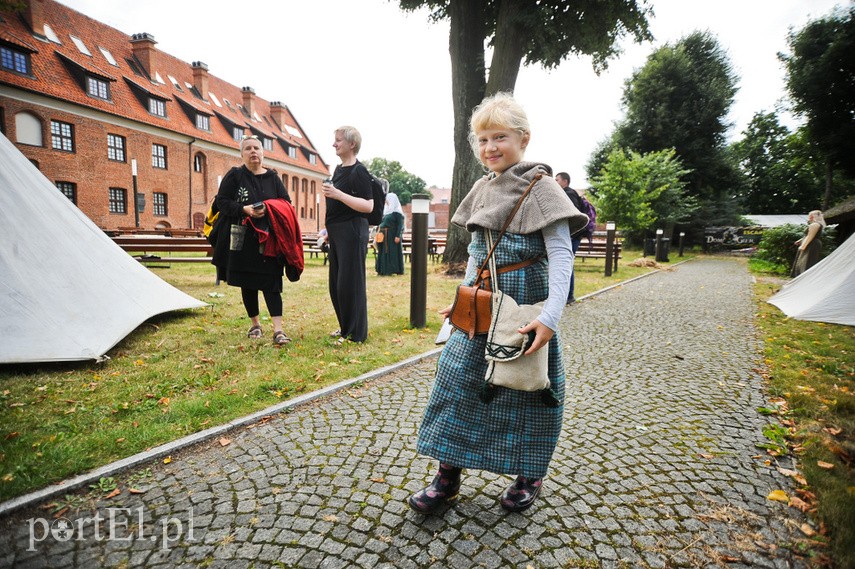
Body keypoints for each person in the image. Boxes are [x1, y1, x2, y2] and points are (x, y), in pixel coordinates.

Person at [410, 93, 588, 514]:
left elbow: (562, 256)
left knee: (526, 389)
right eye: (483, 139)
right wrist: (462, 302)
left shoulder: (542, 188)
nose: (490, 147)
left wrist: (550, 318)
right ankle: (447, 476)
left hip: (526, 307)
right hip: (481, 307)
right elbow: (476, 251)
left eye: (500, 137)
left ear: (524, 138)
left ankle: (529, 473)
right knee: (456, 385)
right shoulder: (481, 188)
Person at [211, 135, 300, 345]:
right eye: (248, 149)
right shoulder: (235, 176)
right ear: (242, 154)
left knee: (272, 282)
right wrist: (244, 209)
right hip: (242, 238)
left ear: (263, 153)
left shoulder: (273, 177)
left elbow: (286, 203)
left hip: (269, 239)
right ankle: (255, 324)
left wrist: (268, 208)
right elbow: (221, 202)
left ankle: (278, 330)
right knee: (247, 282)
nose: (253, 152)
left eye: (257, 148)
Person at [323, 126, 374, 344]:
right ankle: (345, 327)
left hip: (352, 231)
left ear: (351, 144)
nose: (334, 144)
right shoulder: (339, 170)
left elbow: (368, 206)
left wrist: (337, 194)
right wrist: (328, 231)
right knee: (336, 284)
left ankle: (356, 334)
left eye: (338, 140)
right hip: (336, 232)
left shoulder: (358, 171)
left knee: (350, 283)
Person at [555, 172, 588, 303]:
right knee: (566, 264)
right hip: (571, 236)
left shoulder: (569, 194)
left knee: (566, 264)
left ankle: (569, 296)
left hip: (572, 236)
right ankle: (567, 295)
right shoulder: (568, 194)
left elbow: (572, 217)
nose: (555, 182)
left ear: (565, 181)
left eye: (557, 180)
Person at [375, 190, 405, 276]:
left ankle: (390, 270)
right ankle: (381, 270)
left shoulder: (397, 213)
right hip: (383, 234)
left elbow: (400, 225)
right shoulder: (386, 212)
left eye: (388, 200)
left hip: (391, 235)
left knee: (390, 252)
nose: (386, 202)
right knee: (382, 251)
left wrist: (398, 235)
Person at [791, 210, 825, 277]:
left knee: (807, 260)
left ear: (814, 216)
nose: (809, 217)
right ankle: (801, 276)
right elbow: (808, 235)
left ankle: (805, 276)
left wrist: (803, 246)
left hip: (811, 245)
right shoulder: (815, 224)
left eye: (811, 215)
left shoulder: (815, 225)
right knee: (803, 260)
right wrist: (800, 240)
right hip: (810, 243)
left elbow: (810, 236)